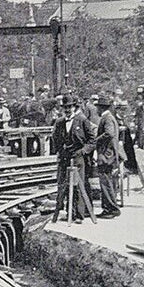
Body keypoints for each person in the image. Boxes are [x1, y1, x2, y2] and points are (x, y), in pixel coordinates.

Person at [51, 95, 95, 223]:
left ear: (74, 107)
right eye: (65, 107)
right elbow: (55, 138)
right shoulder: (59, 122)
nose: (67, 110)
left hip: (78, 158)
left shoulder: (82, 120)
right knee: (63, 186)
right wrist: (60, 150)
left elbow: (92, 140)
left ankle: (79, 215)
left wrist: (83, 151)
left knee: (78, 186)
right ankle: (68, 212)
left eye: (69, 107)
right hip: (64, 158)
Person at [94, 96, 123, 218]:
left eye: (97, 108)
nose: (96, 110)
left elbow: (109, 133)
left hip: (107, 155)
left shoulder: (107, 118)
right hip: (109, 154)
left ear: (100, 108)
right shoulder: (109, 117)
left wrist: (96, 140)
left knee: (105, 182)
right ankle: (107, 208)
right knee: (107, 181)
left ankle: (112, 209)